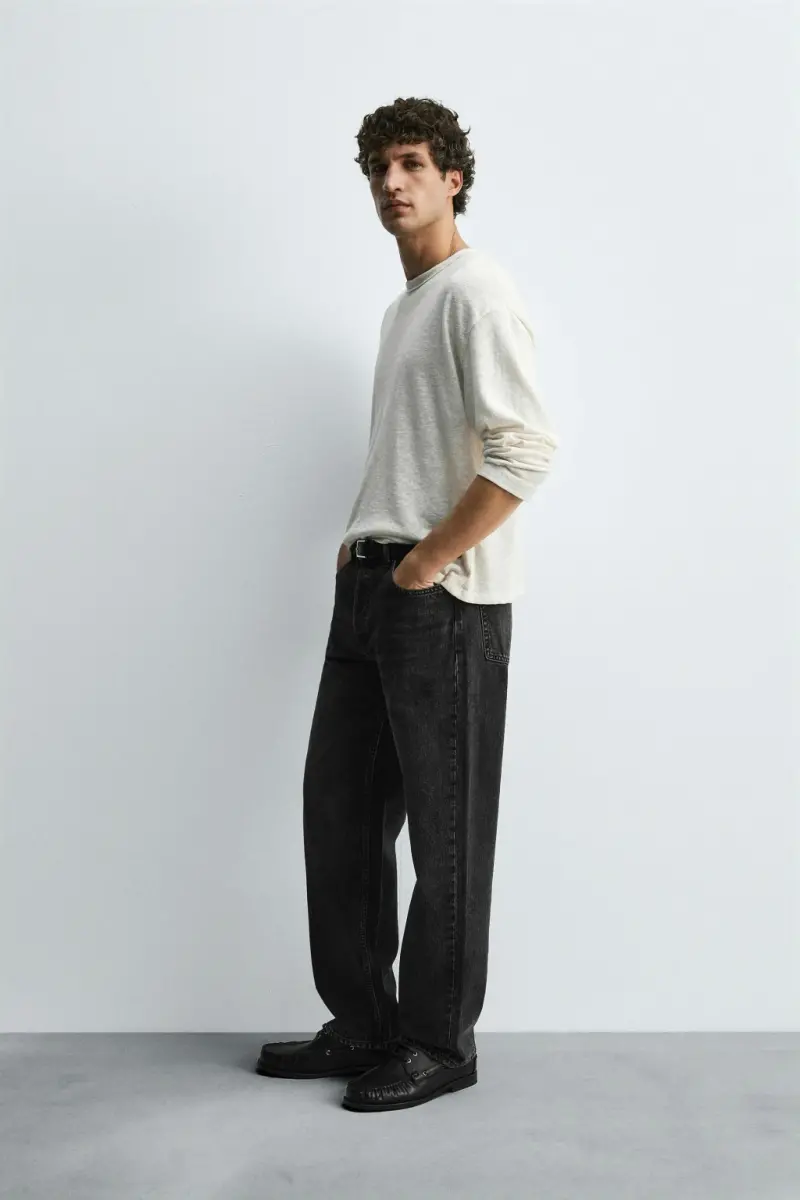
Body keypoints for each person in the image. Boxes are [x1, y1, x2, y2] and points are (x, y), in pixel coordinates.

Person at [255, 96, 560, 1112]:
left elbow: (525, 452)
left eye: (412, 164)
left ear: (452, 177)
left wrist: (426, 561)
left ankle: (438, 1043)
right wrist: (366, 548)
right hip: (372, 590)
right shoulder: (405, 308)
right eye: (378, 169)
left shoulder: (476, 292)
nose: (392, 183)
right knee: (339, 817)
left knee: (445, 833)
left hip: (444, 600)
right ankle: (365, 1025)